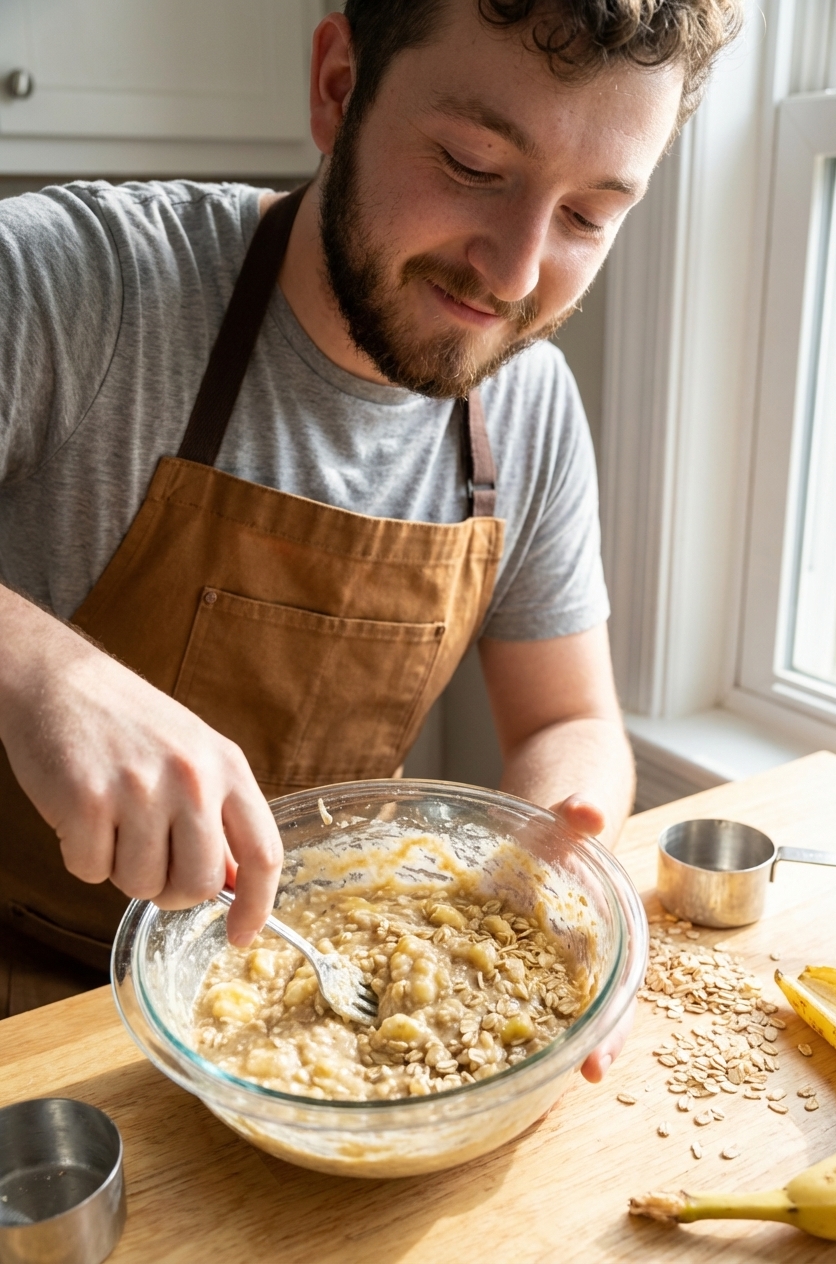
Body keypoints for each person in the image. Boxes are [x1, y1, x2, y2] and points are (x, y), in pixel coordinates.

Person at [0, 0, 740, 1081]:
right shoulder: (79, 284)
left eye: (587, 215)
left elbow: (570, 717)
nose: (516, 272)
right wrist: (40, 670)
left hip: (281, 996)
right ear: (338, 85)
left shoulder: (527, 409)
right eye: (474, 164)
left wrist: (554, 858)